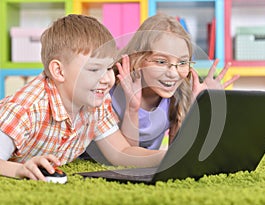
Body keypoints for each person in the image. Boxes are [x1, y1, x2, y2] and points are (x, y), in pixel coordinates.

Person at [0, 14, 165, 182]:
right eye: (94, 70)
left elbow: (121, 152)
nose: (107, 79)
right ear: (59, 71)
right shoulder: (25, 109)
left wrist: (166, 156)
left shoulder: (95, 102)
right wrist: (20, 169)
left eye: (109, 68)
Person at [83, 14, 239, 163]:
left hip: (142, 163)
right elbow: (126, 154)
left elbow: (177, 153)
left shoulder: (177, 96)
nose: (173, 73)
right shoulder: (106, 91)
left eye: (182, 63)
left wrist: (196, 107)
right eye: (161, 62)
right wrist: (132, 107)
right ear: (138, 60)